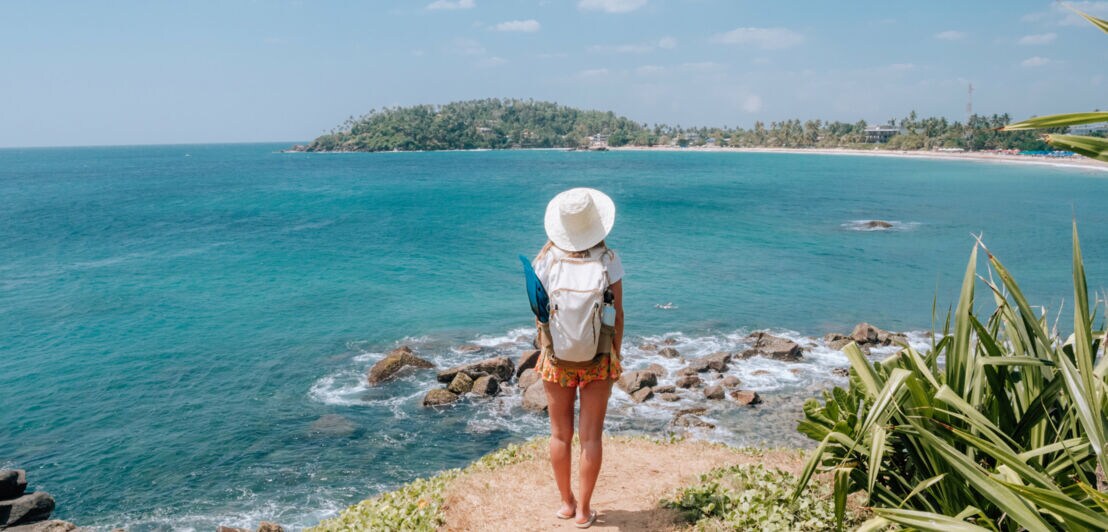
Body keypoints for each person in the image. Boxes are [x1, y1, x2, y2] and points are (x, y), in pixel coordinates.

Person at [532, 187, 624, 529]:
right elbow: (619, 315)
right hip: (599, 358)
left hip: (556, 359)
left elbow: (539, 314)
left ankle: (566, 504)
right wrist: (615, 357)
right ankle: (585, 511)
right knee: (590, 437)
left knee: (559, 435)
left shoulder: (545, 260)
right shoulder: (609, 260)